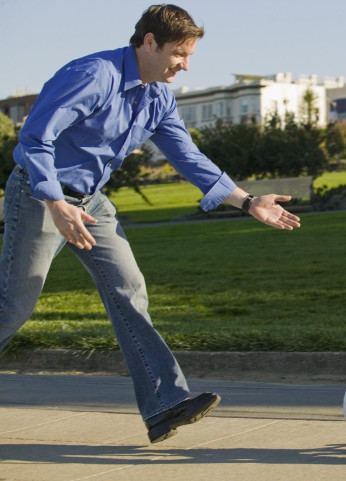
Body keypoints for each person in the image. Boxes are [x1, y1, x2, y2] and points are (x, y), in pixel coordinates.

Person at [0, 4, 300, 444]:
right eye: (178, 53)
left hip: (91, 202)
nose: (185, 64)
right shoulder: (94, 75)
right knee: (14, 305)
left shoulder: (156, 96)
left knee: (129, 289)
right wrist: (54, 203)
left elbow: (188, 157)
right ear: (148, 42)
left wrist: (248, 201)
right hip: (40, 195)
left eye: (189, 55)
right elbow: (36, 138)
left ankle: (164, 404)